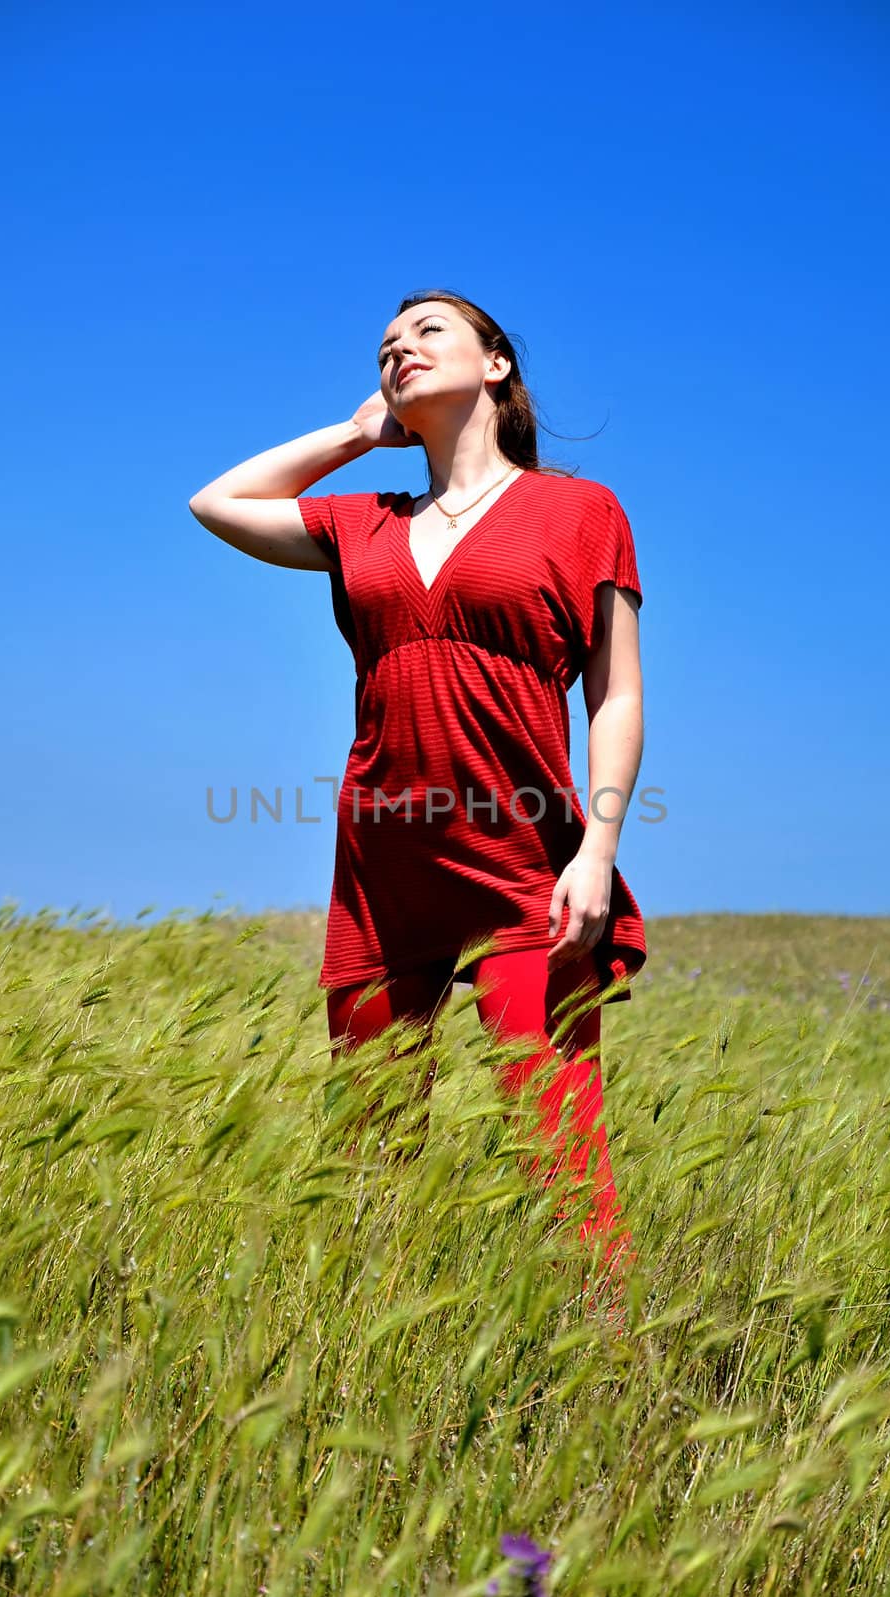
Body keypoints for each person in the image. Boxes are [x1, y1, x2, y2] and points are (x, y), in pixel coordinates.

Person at [188, 290, 646, 1318]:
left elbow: (615, 694)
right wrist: (356, 437)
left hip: (525, 860)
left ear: (495, 366)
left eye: (427, 330)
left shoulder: (581, 512)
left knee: (559, 1149)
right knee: (372, 1147)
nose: (400, 345)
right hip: (383, 868)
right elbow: (216, 504)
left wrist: (597, 850)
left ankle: (618, 1368)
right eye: (387, 343)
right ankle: (375, 1353)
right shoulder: (365, 523)